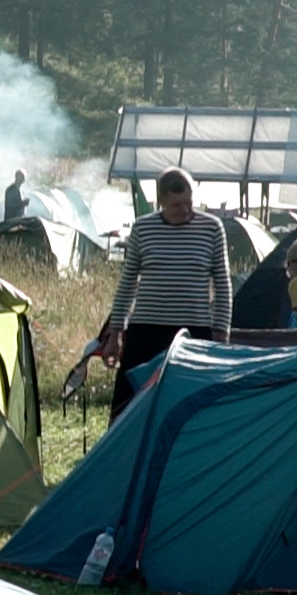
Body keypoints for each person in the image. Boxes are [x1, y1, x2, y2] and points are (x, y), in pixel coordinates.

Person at [101, 167, 230, 417]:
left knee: (190, 403)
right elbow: (127, 283)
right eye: (176, 205)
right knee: (129, 404)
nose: (184, 210)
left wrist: (221, 334)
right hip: (146, 329)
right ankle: (124, 454)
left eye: (189, 203)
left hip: (193, 330)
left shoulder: (212, 228)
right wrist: (116, 332)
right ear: (160, 202)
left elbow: (223, 285)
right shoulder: (142, 229)